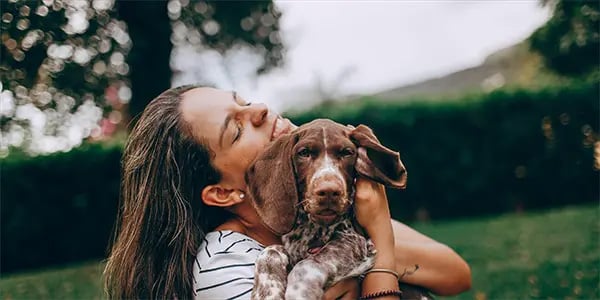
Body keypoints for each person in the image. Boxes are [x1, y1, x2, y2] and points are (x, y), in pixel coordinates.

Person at [104, 85, 471, 299]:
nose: (261, 109)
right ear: (222, 193)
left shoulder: (322, 213)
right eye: (237, 129)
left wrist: (368, 245)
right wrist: (376, 249)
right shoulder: (225, 265)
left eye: (244, 102)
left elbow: (455, 274)